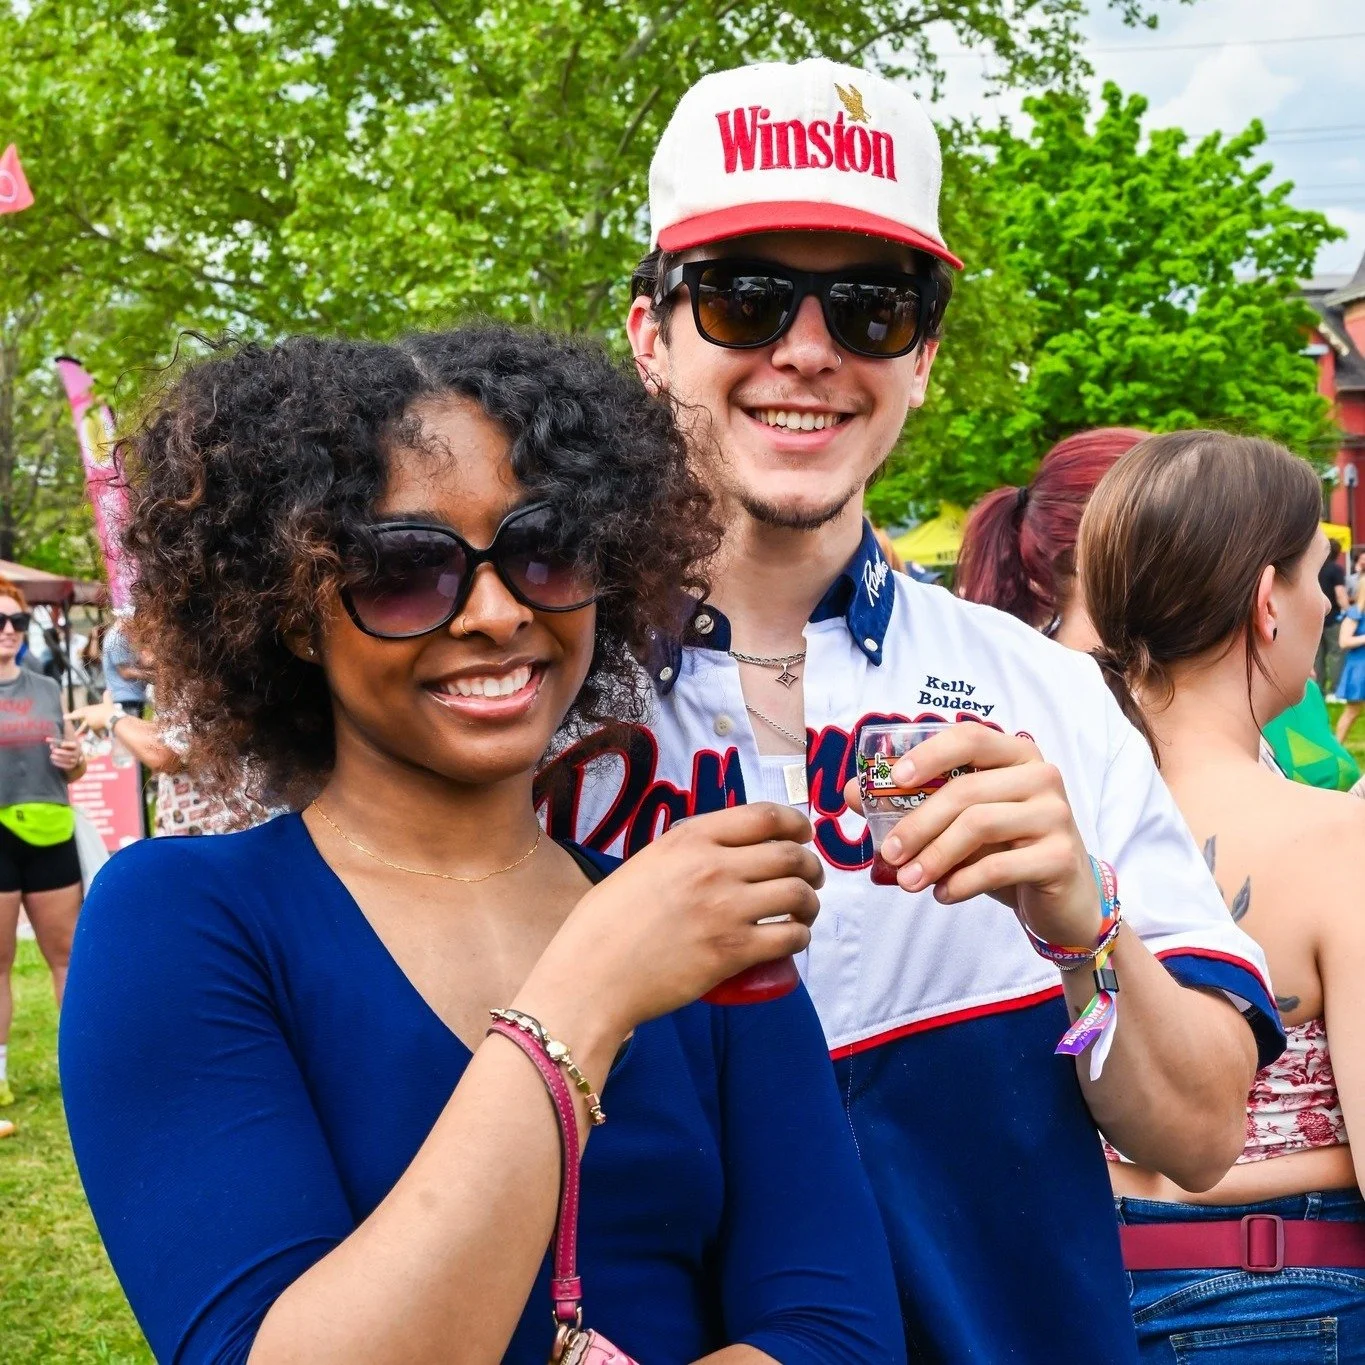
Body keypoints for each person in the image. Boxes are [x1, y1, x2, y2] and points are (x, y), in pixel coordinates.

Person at [541, 57, 1283, 1363]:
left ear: (925, 355)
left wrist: (1080, 930)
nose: (809, 352)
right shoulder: (518, 694)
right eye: (746, 295)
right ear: (652, 334)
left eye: (872, 307)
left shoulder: (1042, 694)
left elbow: (1202, 1131)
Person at [59, 329, 906, 1365]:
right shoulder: (181, 920)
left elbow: (840, 1332)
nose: (497, 613)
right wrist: (584, 997)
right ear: (290, 612)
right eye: (406, 570)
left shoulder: (698, 921)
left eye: (543, 549)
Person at [1078, 431, 1365, 1358]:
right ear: (1264, 601)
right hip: (1286, 1297)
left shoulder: (1047, 825)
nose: (1329, 603)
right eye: (1319, 576)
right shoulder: (1331, 842)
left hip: (1074, 1288)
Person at [0, 575, 87, 1124]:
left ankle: (83, 1070)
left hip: (51, 830)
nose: (8, 632)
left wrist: (74, 759)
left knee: (69, 957)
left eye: (17, 621)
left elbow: (74, 767)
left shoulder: (48, 688)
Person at [955, 428, 1147, 647]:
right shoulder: (1044, 675)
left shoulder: (1026, 664)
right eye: (1173, 523)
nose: (1192, 544)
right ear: (1089, 550)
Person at [1333, 577, 1365, 744]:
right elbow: (1344, 641)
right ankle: (1337, 748)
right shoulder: (1355, 614)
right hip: (1359, 668)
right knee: (1353, 711)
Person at [1316, 540, 1348, 695]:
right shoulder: (1335, 569)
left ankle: (1318, 690)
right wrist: (1348, 612)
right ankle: (1335, 691)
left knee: (1317, 656)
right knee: (1336, 654)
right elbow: (1340, 594)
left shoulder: (1315, 568)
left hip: (1315, 618)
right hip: (1333, 618)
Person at [100, 616, 149, 715]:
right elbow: (125, 672)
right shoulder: (117, 638)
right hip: (125, 698)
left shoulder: (122, 637)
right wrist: (152, 675)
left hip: (130, 697)